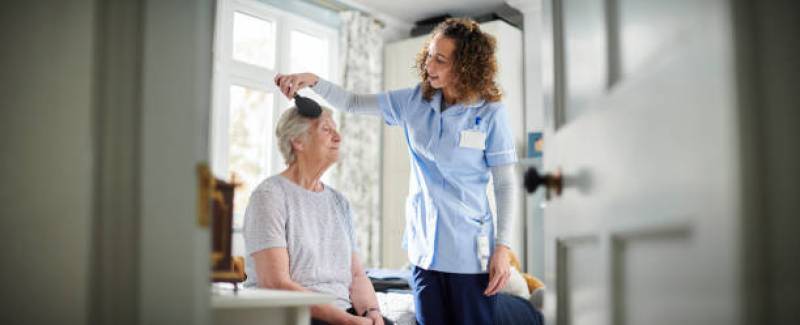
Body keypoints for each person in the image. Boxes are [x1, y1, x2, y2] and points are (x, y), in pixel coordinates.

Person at [274, 18, 520, 325]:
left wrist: (503, 249)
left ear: (466, 66)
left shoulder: (490, 114)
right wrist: (313, 81)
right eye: (429, 54)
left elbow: (506, 185)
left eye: (440, 60)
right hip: (424, 252)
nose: (429, 64)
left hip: (470, 253)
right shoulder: (414, 100)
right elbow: (352, 103)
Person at [242, 106, 392, 325]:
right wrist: (346, 321)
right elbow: (275, 284)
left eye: (336, 129)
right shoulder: (269, 196)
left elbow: (357, 275)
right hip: (295, 315)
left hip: (341, 314)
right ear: (298, 141)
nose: (338, 137)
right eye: (326, 129)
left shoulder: (339, 202)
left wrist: (373, 313)